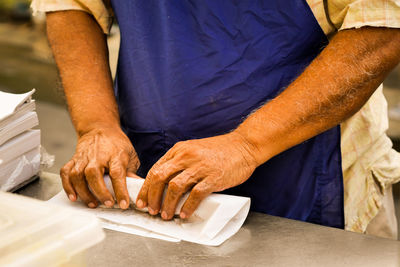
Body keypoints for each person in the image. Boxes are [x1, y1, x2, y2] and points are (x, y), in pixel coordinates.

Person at [32, 0, 400, 239]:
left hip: (317, 173)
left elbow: (382, 26)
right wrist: (97, 125)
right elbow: (71, 5)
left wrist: (246, 144)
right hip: (150, 167)